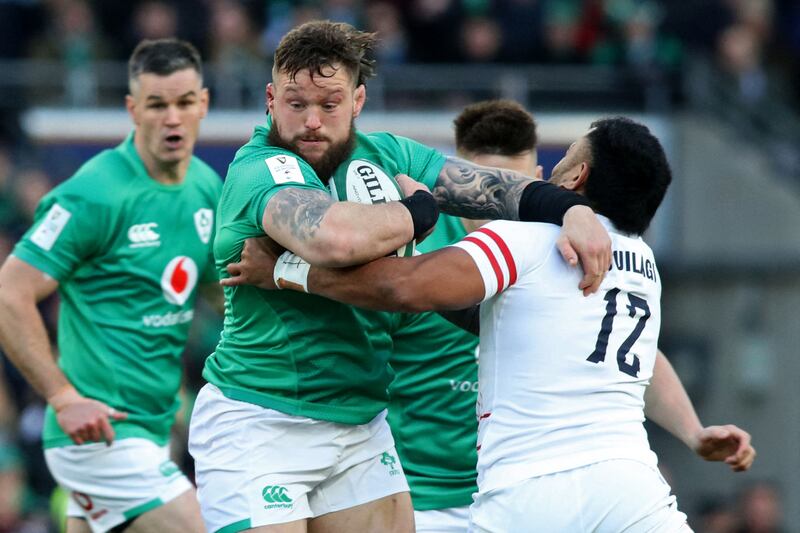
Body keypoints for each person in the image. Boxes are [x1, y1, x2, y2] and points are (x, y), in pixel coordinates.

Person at [188, 20, 611, 533]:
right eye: (296, 104)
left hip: (360, 424)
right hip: (260, 420)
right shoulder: (260, 168)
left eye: (330, 104)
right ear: (271, 100)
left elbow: (493, 187)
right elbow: (330, 238)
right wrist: (418, 211)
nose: (312, 122)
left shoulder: (386, 153)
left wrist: (570, 209)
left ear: (358, 101)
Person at [242, 117, 757, 531]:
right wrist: (692, 433)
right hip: (628, 484)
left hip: (528, 491)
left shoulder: (524, 240)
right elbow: (632, 358)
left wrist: (289, 269)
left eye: (567, 155)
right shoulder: (644, 266)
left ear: (575, 177)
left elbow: (402, 288)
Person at [0, 38, 221, 533]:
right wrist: (61, 396)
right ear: (132, 109)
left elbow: (220, 291)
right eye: (157, 105)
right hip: (100, 436)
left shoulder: (207, 186)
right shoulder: (95, 192)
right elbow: (8, 293)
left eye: (184, 103)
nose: (172, 119)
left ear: (203, 104)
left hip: (153, 428)